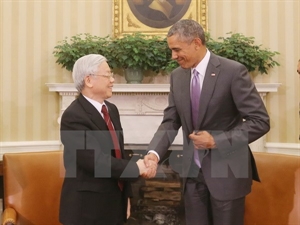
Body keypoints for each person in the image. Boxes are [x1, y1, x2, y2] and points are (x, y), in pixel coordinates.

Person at [144, 19, 270, 225]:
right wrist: (153, 153)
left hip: (227, 174)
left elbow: (260, 121)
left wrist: (217, 140)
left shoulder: (232, 72)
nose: (173, 56)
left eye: (177, 50)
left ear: (196, 43)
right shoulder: (177, 76)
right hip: (192, 175)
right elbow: (170, 121)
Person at [59, 54, 151, 225]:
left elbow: (119, 154)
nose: (113, 80)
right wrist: (135, 168)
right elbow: (95, 162)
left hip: (114, 204)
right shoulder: (73, 116)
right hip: (87, 210)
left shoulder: (111, 110)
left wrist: (127, 196)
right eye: (108, 75)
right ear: (89, 80)